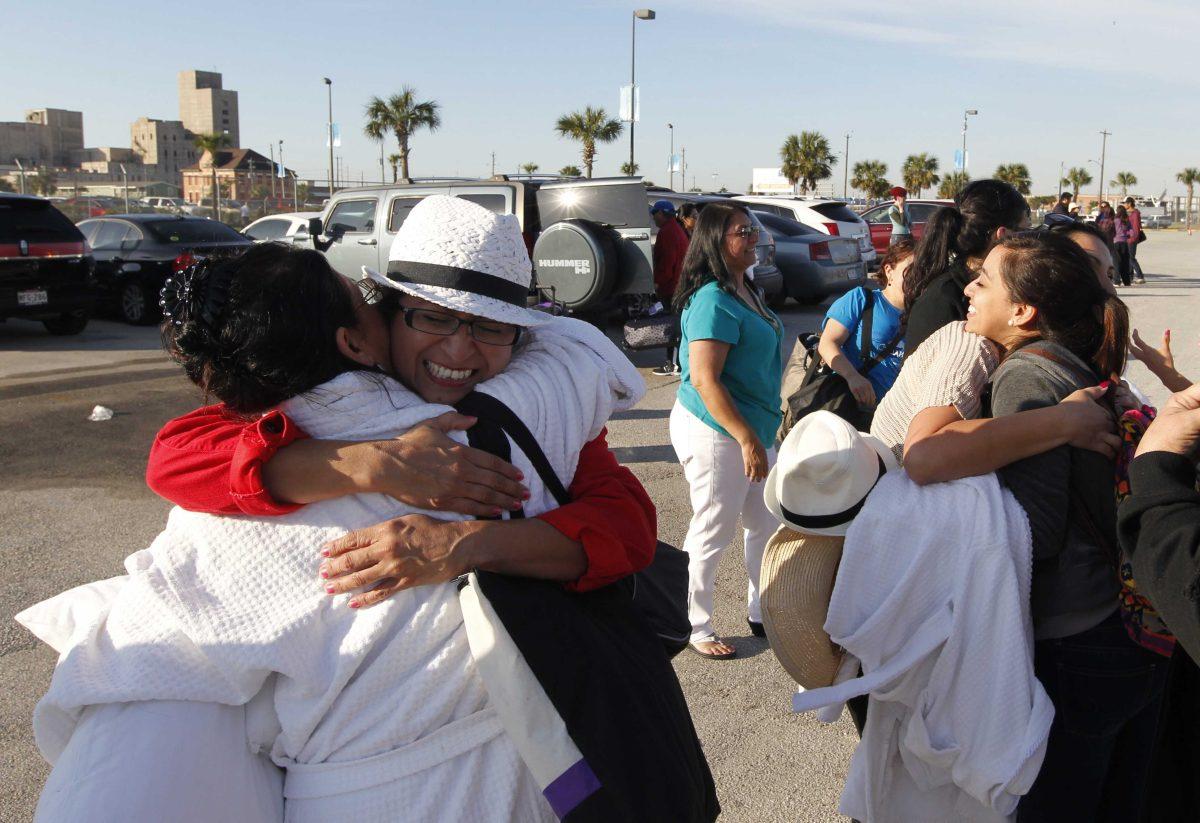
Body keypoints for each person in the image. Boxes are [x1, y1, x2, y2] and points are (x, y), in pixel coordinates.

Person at [27, 199, 706, 822]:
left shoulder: (540, 400)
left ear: (521, 333)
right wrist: (363, 463)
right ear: (381, 316)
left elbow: (627, 528)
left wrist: (467, 543)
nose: (459, 350)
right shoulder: (315, 402)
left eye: (490, 327)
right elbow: (175, 454)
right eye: (434, 316)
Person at [958, 232, 1164, 821]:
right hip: (1124, 623)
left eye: (985, 281)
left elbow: (1037, 530)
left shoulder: (1026, 377)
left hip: (1079, 635)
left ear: (1022, 311)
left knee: (1060, 801)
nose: (969, 289)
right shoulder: (1072, 359)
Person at [669, 202, 783, 659]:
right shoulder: (713, 300)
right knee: (713, 527)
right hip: (717, 428)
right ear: (717, 241)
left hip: (752, 425)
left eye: (752, 228)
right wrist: (747, 439)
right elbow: (704, 379)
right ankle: (695, 625)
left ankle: (762, 611)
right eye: (743, 231)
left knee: (765, 522)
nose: (753, 236)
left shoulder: (744, 288)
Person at [903, 178, 1030, 355]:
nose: (1030, 242)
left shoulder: (1005, 288)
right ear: (1001, 235)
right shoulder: (943, 298)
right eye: (1025, 231)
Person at [815, 239, 912, 426]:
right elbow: (827, 344)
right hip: (853, 410)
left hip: (896, 417)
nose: (917, 276)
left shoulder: (923, 313)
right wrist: (853, 377)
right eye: (910, 269)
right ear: (889, 270)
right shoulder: (861, 299)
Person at [650, 199, 690, 377]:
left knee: (673, 327)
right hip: (679, 285)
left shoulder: (667, 232)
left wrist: (657, 283)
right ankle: (677, 363)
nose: (653, 218)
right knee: (677, 325)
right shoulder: (676, 229)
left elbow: (667, 263)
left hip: (672, 287)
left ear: (661, 213)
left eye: (654, 214)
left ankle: (674, 365)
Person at [1125, 196, 1146, 283]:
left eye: (1125, 203)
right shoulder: (1127, 213)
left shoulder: (1135, 213)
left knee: (1131, 258)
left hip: (1132, 238)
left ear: (1129, 204)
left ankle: (1140, 276)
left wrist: (1133, 238)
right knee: (1129, 257)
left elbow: (1136, 227)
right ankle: (1130, 276)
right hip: (1127, 238)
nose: (1124, 205)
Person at [1114, 204, 1134, 286]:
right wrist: (1126, 235)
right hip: (1124, 243)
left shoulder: (1115, 220)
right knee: (1125, 262)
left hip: (1115, 242)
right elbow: (1132, 232)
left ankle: (1117, 281)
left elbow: (1112, 231)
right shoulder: (1126, 220)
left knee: (1116, 263)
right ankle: (1127, 281)